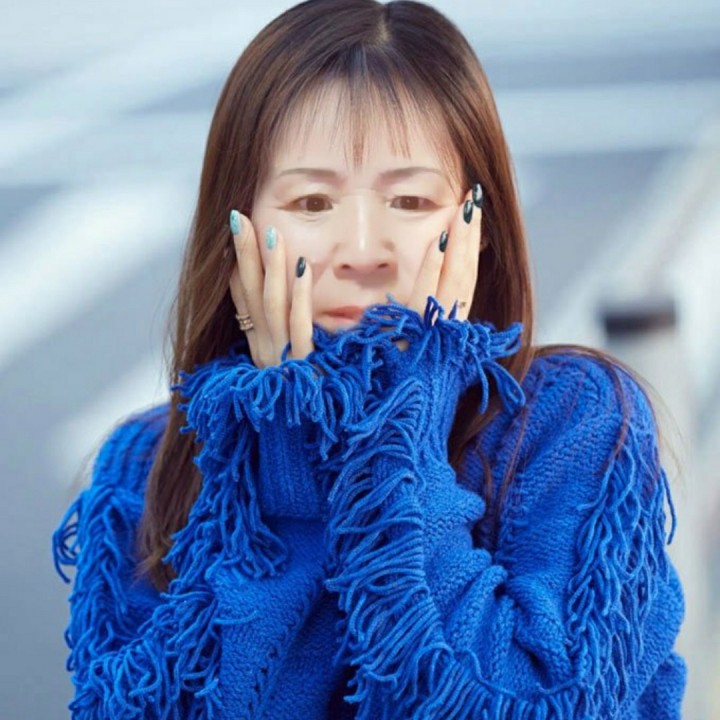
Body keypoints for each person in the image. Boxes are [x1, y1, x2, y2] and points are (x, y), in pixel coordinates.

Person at [52, 0, 687, 718]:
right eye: (312, 202)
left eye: (409, 200)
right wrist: (288, 442)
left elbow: (540, 701)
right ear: (238, 230)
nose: (361, 250)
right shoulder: (145, 466)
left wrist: (403, 427)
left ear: (477, 227)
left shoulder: (573, 421)